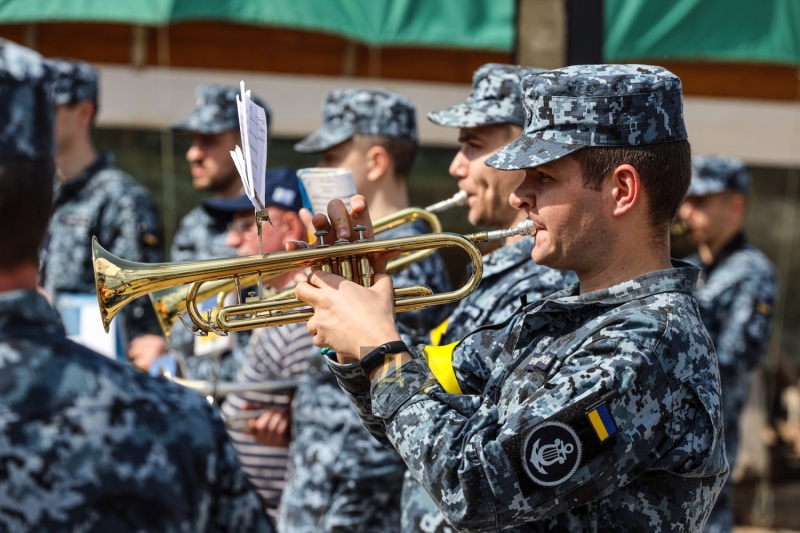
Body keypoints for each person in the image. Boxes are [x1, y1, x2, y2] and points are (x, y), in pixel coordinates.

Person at [296, 65, 729, 531]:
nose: (521, 196)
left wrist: (380, 352)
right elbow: (414, 421)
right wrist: (351, 329)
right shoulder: (565, 319)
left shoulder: (647, 347)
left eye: (543, 176)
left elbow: (474, 487)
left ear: (621, 190)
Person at [0, 37, 274, 533]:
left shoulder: (121, 198)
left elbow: (147, 315)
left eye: (208, 139)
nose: (193, 153)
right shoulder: (177, 425)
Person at [402, 63, 578, 533]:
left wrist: (377, 351)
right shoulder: (495, 270)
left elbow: (478, 467)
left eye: (474, 146)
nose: (456, 166)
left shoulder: (543, 285)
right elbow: (435, 382)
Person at [277, 89, 452, 532]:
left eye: (333, 156)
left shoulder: (415, 256)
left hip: (357, 483)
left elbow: (403, 376)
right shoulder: (365, 250)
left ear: (375, 162)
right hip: (322, 472)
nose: (318, 171)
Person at [128, 84, 271, 382]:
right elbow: (186, 327)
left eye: (209, 140)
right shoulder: (194, 225)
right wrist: (167, 354)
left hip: (258, 401)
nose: (193, 153)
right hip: (199, 395)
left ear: (248, 144)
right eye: (193, 141)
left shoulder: (278, 222)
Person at [209, 169, 317, 519]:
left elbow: (323, 428)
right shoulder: (275, 304)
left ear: (289, 228)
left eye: (245, 225)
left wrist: (293, 429)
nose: (231, 240)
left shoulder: (302, 316)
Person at [678, 156, 778, 533]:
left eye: (701, 201)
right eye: (687, 200)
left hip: (710, 451)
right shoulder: (686, 269)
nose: (687, 211)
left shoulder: (753, 273)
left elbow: (733, 358)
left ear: (735, 205)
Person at [39, 58, 162, 343]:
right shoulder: (40, 192)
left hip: (93, 366)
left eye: (49, 108)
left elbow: (133, 310)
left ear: (84, 112)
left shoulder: (121, 198)